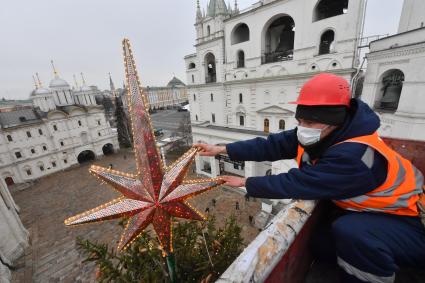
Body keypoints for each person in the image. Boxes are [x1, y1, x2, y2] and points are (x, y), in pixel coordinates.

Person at [195, 73, 425, 283]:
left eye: (310, 123)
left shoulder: (353, 155)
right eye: (300, 122)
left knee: (351, 233)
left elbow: (299, 182)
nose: (303, 128)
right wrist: (221, 149)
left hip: (409, 221)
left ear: (334, 121)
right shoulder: (323, 133)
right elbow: (270, 145)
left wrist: (246, 182)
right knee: (319, 244)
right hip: (378, 213)